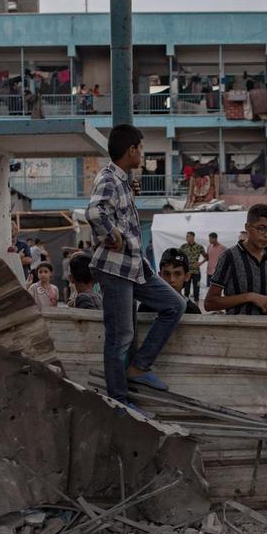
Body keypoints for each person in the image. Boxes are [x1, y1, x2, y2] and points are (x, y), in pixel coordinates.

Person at [87, 124, 186, 402]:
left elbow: (112, 209)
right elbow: (94, 212)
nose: (142, 153)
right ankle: (119, 402)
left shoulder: (121, 181)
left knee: (174, 304)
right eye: (140, 148)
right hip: (115, 268)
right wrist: (111, 234)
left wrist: (131, 196)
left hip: (133, 266)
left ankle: (139, 367)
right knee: (120, 338)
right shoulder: (108, 177)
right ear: (131, 150)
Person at [205, 203, 267, 315]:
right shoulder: (230, 256)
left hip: (266, 329)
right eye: (261, 229)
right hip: (238, 329)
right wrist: (249, 297)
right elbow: (209, 303)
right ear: (247, 227)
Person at [141, 250, 202, 314]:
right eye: (167, 274)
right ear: (160, 276)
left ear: (187, 276)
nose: (171, 280)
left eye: (177, 274)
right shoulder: (146, 307)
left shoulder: (192, 311)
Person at [178, 231, 206, 301]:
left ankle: (197, 307)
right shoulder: (183, 246)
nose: (186, 238)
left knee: (196, 290)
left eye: (188, 236)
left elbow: (206, 257)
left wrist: (201, 263)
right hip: (187, 272)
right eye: (186, 236)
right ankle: (186, 306)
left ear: (193, 237)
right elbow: (178, 256)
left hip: (196, 272)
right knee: (186, 291)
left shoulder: (199, 247)